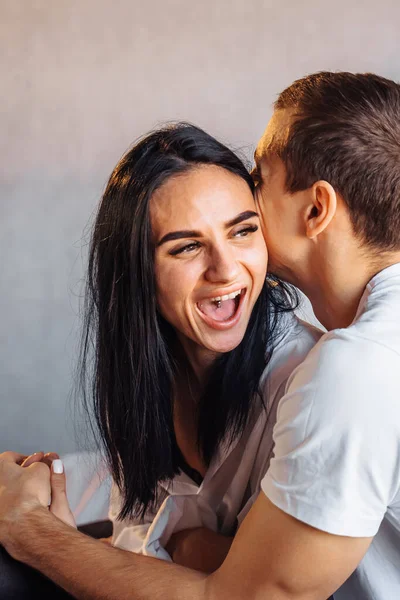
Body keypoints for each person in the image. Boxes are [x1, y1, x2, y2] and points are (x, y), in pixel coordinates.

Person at [1, 70, 400, 600]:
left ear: (316, 210)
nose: (225, 267)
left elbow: (245, 596)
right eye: (186, 246)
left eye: (259, 181)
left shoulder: (352, 368)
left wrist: (30, 529)